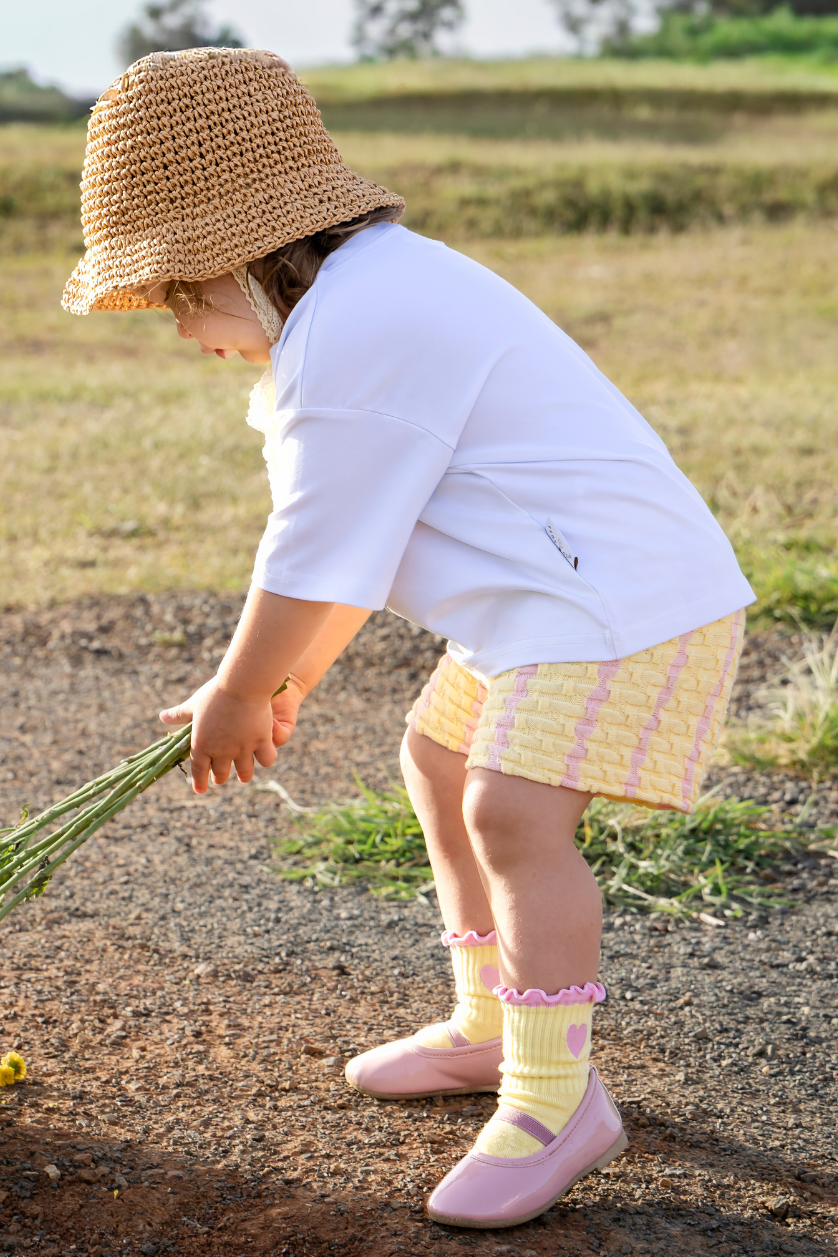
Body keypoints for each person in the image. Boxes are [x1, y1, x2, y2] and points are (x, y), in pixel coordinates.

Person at [63, 47, 754, 1229]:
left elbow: (313, 550)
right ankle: (492, 1023)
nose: (182, 330)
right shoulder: (367, 295)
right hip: (552, 601)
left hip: (617, 608)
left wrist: (245, 688)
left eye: (182, 296)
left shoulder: (356, 330)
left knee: (510, 811)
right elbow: (358, 547)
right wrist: (282, 679)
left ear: (245, 256)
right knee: (436, 762)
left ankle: (554, 1101)